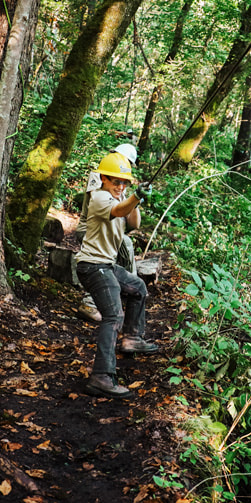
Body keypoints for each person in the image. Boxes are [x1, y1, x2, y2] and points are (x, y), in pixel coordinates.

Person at [76, 151, 158, 398]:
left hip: (107, 265)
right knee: (113, 315)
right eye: (115, 181)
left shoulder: (121, 197)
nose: (119, 186)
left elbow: (133, 223)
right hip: (92, 266)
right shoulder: (99, 197)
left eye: (124, 182)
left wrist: (137, 200)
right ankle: (101, 376)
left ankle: (132, 338)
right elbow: (120, 211)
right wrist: (132, 197)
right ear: (103, 179)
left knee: (138, 288)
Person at [75, 143, 139, 321]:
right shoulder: (101, 177)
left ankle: (127, 292)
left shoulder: (119, 182)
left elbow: (131, 219)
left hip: (107, 228)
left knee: (124, 246)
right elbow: (106, 206)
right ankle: (90, 302)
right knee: (122, 245)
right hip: (90, 228)